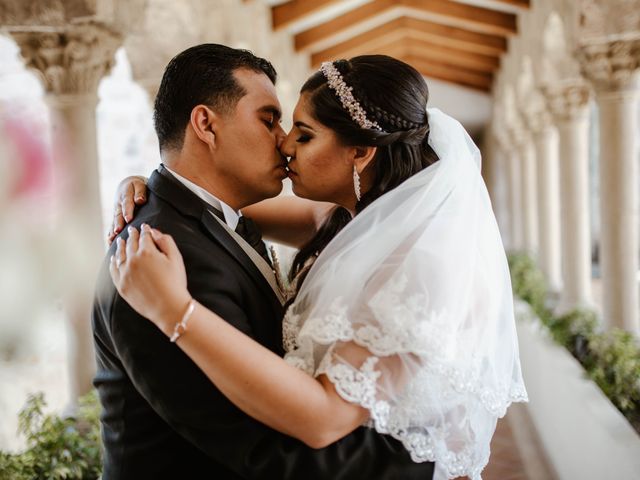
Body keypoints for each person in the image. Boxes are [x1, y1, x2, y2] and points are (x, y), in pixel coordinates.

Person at [110, 52, 529, 480]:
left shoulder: (411, 268)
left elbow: (327, 416)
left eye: (304, 135)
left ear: (361, 152)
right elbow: (218, 213)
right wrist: (147, 185)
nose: (285, 143)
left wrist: (176, 311)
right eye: (274, 121)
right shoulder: (342, 220)